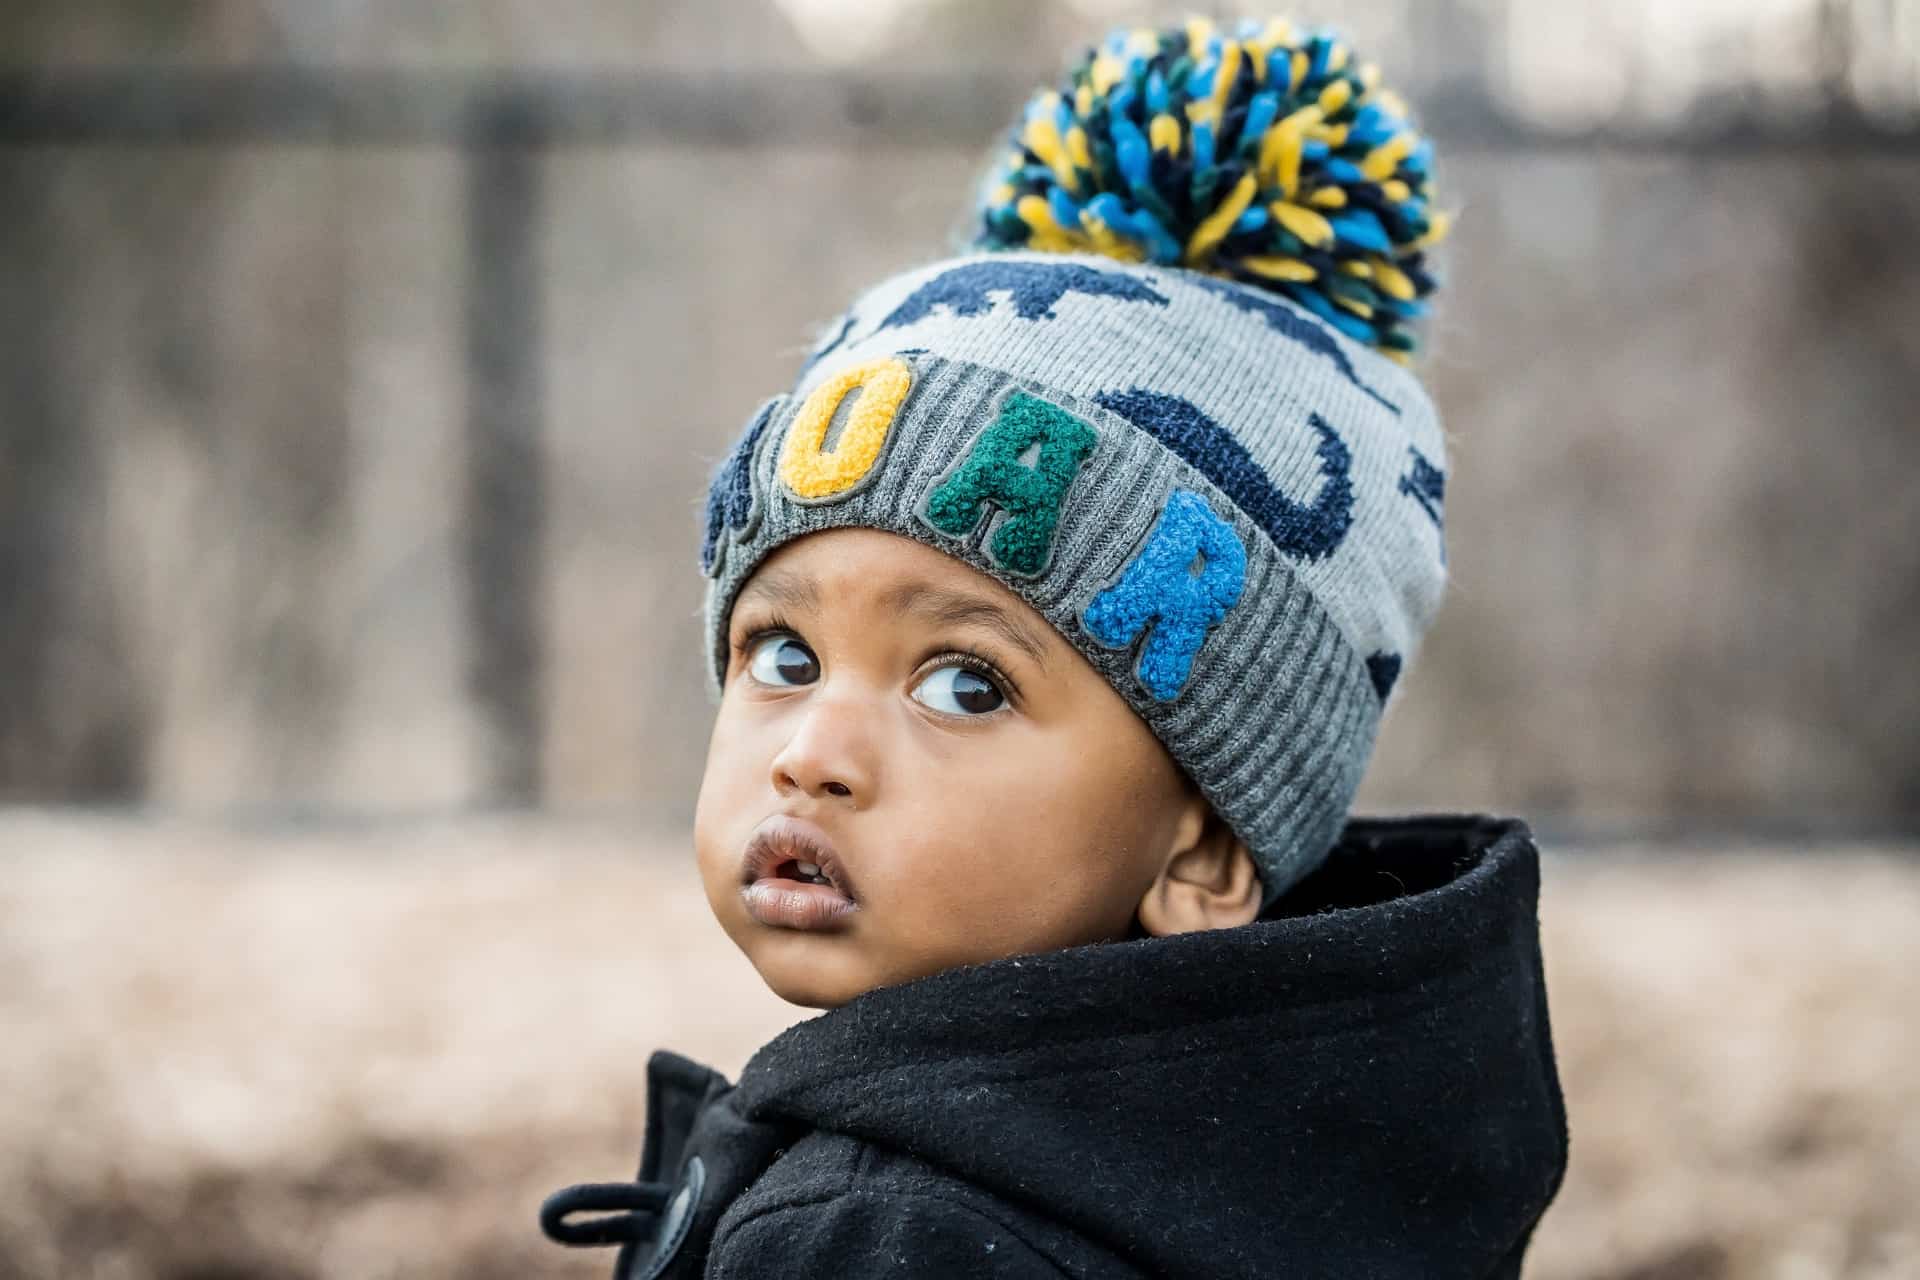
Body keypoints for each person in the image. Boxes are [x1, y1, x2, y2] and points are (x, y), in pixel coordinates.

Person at [541, 14, 1568, 1277]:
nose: (815, 753)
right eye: (785, 655)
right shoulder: (1327, 1159)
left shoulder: (881, 1237)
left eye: (965, 683)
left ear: (1201, 850)